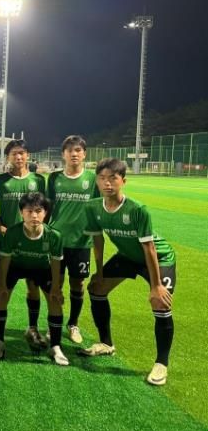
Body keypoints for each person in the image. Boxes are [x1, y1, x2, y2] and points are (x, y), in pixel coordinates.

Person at [80, 158, 175, 386]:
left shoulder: (137, 209)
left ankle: (161, 363)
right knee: (96, 288)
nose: (107, 183)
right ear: (97, 181)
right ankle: (106, 343)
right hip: (127, 256)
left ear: (123, 181)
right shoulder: (92, 207)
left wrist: (156, 286)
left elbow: (149, 248)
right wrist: (100, 272)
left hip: (158, 258)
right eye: (102, 178)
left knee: (161, 303)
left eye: (113, 178)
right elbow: (98, 240)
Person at [0, 192, 69, 366]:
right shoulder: (12, 233)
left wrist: (56, 287)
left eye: (38, 211)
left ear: (45, 213)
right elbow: (5, 259)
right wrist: (1, 283)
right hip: (16, 266)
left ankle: (55, 347)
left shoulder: (54, 236)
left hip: (41, 268)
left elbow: (56, 262)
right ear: (21, 213)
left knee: (55, 301)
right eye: (29, 211)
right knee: (1, 297)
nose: (34, 215)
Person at [0, 139, 46, 348]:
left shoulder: (38, 180)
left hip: (32, 242)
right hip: (5, 241)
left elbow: (44, 208)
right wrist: (0, 225)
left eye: (21, 153)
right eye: (14, 154)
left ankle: (32, 327)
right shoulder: (0, 181)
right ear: (8, 157)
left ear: (27, 155)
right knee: (0, 284)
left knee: (33, 285)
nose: (18, 157)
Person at [46, 135, 100, 343]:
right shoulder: (54, 178)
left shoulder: (93, 180)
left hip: (81, 242)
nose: (74, 154)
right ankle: (54, 324)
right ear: (63, 154)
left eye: (78, 150)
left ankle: (73, 324)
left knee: (77, 283)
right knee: (55, 284)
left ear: (84, 154)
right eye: (70, 150)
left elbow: (98, 208)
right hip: (56, 240)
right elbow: (48, 208)